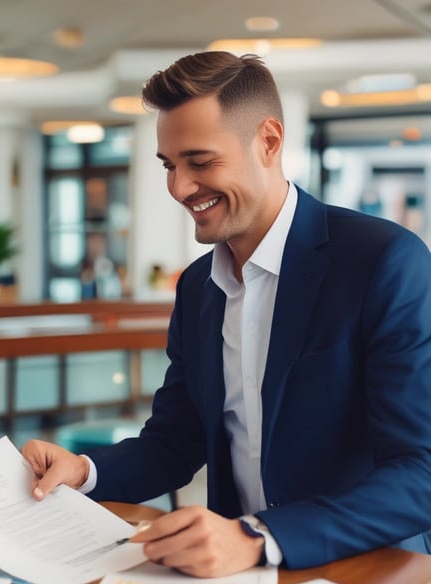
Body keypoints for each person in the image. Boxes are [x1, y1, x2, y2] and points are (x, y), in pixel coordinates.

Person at [23, 51, 431, 578]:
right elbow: (176, 440)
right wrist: (84, 470)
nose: (179, 188)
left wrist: (259, 536)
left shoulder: (384, 260)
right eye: (169, 165)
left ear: (268, 141)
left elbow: (421, 471)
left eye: (200, 161)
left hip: (364, 566)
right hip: (234, 570)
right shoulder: (198, 287)